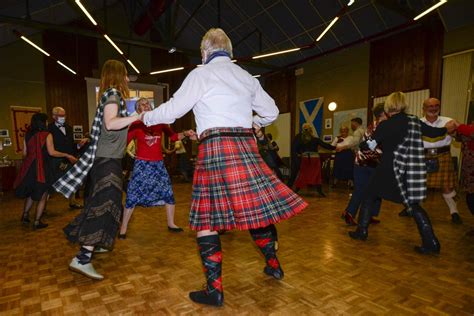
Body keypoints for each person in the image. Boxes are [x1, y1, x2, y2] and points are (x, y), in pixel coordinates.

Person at [142, 28, 307, 306]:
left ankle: (215, 290)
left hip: (216, 149)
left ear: (204, 53)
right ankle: (274, 264)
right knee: (257, 212)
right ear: (230, 53)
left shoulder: (201, 74)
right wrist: (255, 123)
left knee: (207, 219)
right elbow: (272, 112)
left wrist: (145, 117)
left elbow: (172, 110)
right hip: (246, 148)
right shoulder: (246, 77)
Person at [53, 60, 141, 280]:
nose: (128, 79)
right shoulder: (113, 94)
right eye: (126, 74)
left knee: (104, 204)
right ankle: (82, 258)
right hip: (107, 162)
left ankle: (96, 243)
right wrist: (139, 117)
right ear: (118, 75)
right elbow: (111, 123)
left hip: (106, 160)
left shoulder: (110, 95)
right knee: (105, 205)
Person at [348, 92, 455, 255]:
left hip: (388, 170)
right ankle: (431, 241)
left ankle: (362, 231)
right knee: (412, 205)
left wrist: (362, 144)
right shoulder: (414, 121)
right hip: (409, 171)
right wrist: (447, 128)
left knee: (369, 196)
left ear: (388, 107)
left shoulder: (385, 125)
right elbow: (435, 133)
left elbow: (369, 146)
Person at [119, 97, 184, 239]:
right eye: (142, 104)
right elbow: (123, 143)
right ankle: (123, 227)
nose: (146, 105)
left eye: (148, 103)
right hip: (142, 164)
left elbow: (173, 137)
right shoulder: (135, 124)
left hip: (158, 164)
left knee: (168, 192)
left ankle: (171, 223)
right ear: (138, 110)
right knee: (132, 195)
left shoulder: (160, 122)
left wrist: (185, 134)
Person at [399, 98, 462, 224]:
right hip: (421, 157)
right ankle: (411, 208)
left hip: (443, 156)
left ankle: (454, 212)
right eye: (430, 106)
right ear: (423, 108)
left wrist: (456, 132)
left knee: (447, 187)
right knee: (416, 186)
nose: (433, 108)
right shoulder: (417, 123)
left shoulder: (448, 121)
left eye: (436, 105)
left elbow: (459, 139)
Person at [15, 113, 77, 229]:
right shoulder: (47, 135)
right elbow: (52, 152)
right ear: (43, 122)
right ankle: (37, 221)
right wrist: (67, 155)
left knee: (31, 193)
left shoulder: (27, 134)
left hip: (29, 168)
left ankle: (25, 215)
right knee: (43, 194)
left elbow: (24, 154)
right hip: (42, 168)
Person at [341, 104, 386, 226]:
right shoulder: (379, 126)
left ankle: (366, 214)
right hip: (366, 162)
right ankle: (351, 213)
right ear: (384, 113)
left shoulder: (375, 126)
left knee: (371, 190)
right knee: (364, 190)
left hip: (366, 162)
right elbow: (376, 147)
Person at [48, 106, 85, 209]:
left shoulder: (69, 128)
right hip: (55, 160)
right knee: (51, 183)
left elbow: (71, 145)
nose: (63, 117)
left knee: (72, 180)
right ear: (54, 116)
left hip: (68, 159)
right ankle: (43, 206)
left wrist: (78, 146)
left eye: (64, 115)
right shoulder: (49, 129)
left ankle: (72, 202)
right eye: (60, 115)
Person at [294, 123, 335, 196]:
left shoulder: (301, 140)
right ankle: (320, 191)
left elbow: (296, 149)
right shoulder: (315, 139)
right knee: (316, 175)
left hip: (305, 159)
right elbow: (325, 145)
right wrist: (335, 147)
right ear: (311, 131)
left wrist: (300, 153)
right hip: (314, 159)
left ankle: (296, 190)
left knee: (303, 174)